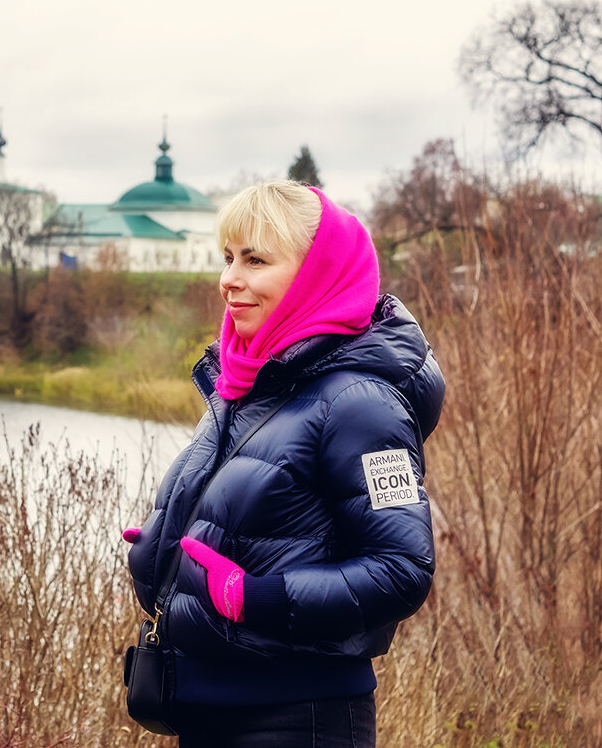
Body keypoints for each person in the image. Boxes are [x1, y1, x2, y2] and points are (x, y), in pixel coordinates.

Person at [123, 180, 444, 747]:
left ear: (315, 275)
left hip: (297, 718)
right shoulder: (245, 383)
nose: (230, 279)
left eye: (255, 260)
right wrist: (165, 545)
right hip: (207, 709)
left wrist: (259, 598)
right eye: (227, 258)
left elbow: (401, 568)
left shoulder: (359, 404)